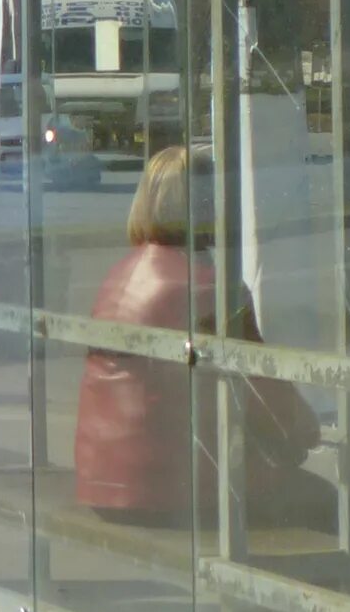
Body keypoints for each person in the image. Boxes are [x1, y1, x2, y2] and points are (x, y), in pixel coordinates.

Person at [73, 144, 330, 524]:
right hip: (168, 486)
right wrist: (305, 430)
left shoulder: (119, 274)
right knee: (331, 507)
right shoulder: (211, 287)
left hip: (100, 479)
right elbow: (265, 392)